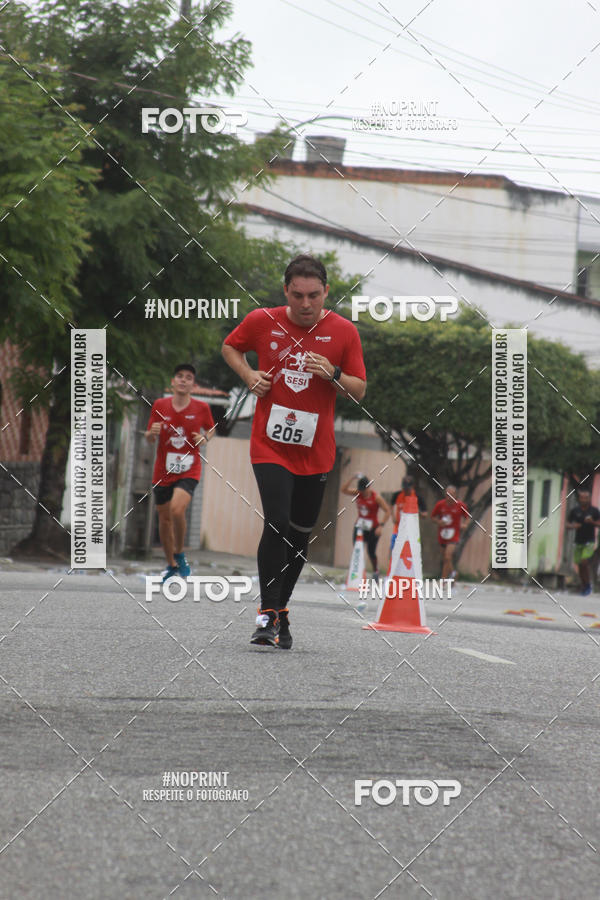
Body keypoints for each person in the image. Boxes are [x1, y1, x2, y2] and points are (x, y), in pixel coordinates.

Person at [222, 254, 366, 648]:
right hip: (269, 445)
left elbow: (359, 390)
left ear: (326, 293)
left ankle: (281, 610)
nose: (306, 304)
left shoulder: (343, 332)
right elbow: (231, 347)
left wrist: (333, 374)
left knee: (300, 535)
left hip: (315, 451)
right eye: (298, 295)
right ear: (286, 290)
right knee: (277, 522)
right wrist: (249, 375)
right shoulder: (261, 321)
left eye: (314, 296)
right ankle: (266, 614)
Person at [145, 364, 215, 581]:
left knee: (177, 510)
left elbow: (211, 429)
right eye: (180, 376)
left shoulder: (202, 408)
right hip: (163, 471)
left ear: (193, 385)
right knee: (164, 520)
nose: (183, 380)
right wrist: (151, 433)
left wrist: (205, 438)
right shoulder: (159, 405)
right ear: (173, 382)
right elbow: (149, 436)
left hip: (189, 468)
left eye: (188, 378)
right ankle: (171, 565)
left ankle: (180, 553)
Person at [341, 473, 390, 580]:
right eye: (361, 490)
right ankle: (357, 572)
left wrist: (381, 526)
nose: (362, 492)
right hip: (360, 526)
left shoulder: (376, 497)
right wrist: (352, 477)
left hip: (373, 528)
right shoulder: (358, 493)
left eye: (364, 490)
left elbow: (387, 511)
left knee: (371, 551)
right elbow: (343, 490)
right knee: (357, 550)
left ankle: (376, 571)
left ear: (369, 487)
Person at [566, 488, 600, 596]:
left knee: (584, 561)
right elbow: (567, 524)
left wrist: (593, 522)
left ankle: (588, 584)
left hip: (589, 541)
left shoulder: (594, 511)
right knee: (580, 565)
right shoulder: (575, 511)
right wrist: (573, 526)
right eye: (582, 497)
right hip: (578, 541)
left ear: (589, 499)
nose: (584, 499)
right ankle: (584, 585)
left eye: (586, 498)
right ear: (579, 499)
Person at [431, 485, 469, 580]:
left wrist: (465, 524)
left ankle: (443, 579)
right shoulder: (440, 505)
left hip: (454, 534)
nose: (449, 498)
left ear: (456, 495)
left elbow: (467, 517)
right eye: (447, 495)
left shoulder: (461, 506)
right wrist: (439, 522)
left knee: (448, 556)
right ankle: (453, 573)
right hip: (443, 534)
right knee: (445, 558)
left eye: (451, 495)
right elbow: (433, 517)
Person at [390, 475, 427, 553]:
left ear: (412, 486)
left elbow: (425, 514)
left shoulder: (418, 497)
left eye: (408, 489)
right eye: (404, 488)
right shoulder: (397, 495)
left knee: (410, 552)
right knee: (394, 550)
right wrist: (393, 516)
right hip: (398, 528)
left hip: (412, 530)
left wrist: (417, 511)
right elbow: (391, 504)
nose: (406, 491)